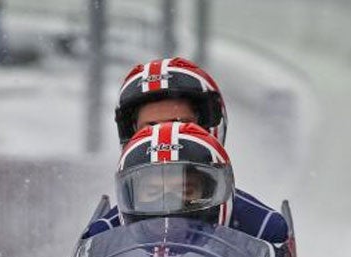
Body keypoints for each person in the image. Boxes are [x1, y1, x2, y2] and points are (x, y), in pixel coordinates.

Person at [83, 57, 287, 245]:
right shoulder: (102, 235)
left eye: (179, 123)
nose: (166, 134)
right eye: (151, 127)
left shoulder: (264, 229)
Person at [116, 122, 234, 227]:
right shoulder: (103, 239)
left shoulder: (251, 227)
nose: (168, 204)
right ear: (129, 197)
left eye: (186, 192)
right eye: (153, 192)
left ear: (209, 191)